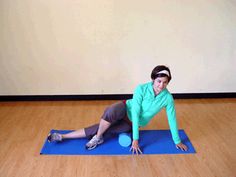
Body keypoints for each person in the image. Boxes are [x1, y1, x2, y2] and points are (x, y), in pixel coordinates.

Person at [47, 65, 188, 154]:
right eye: (159, 81)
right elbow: (135, 111)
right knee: (111, 111)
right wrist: (135, 139)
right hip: (125, 108)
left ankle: (63, 136)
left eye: (165, 82)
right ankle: (98, 137)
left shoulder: (167, 98)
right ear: (153, 79)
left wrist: (177, 141)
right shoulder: (141, 89)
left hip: (132, 123)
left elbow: (172, 119)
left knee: (100, 129)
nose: (161, 85)